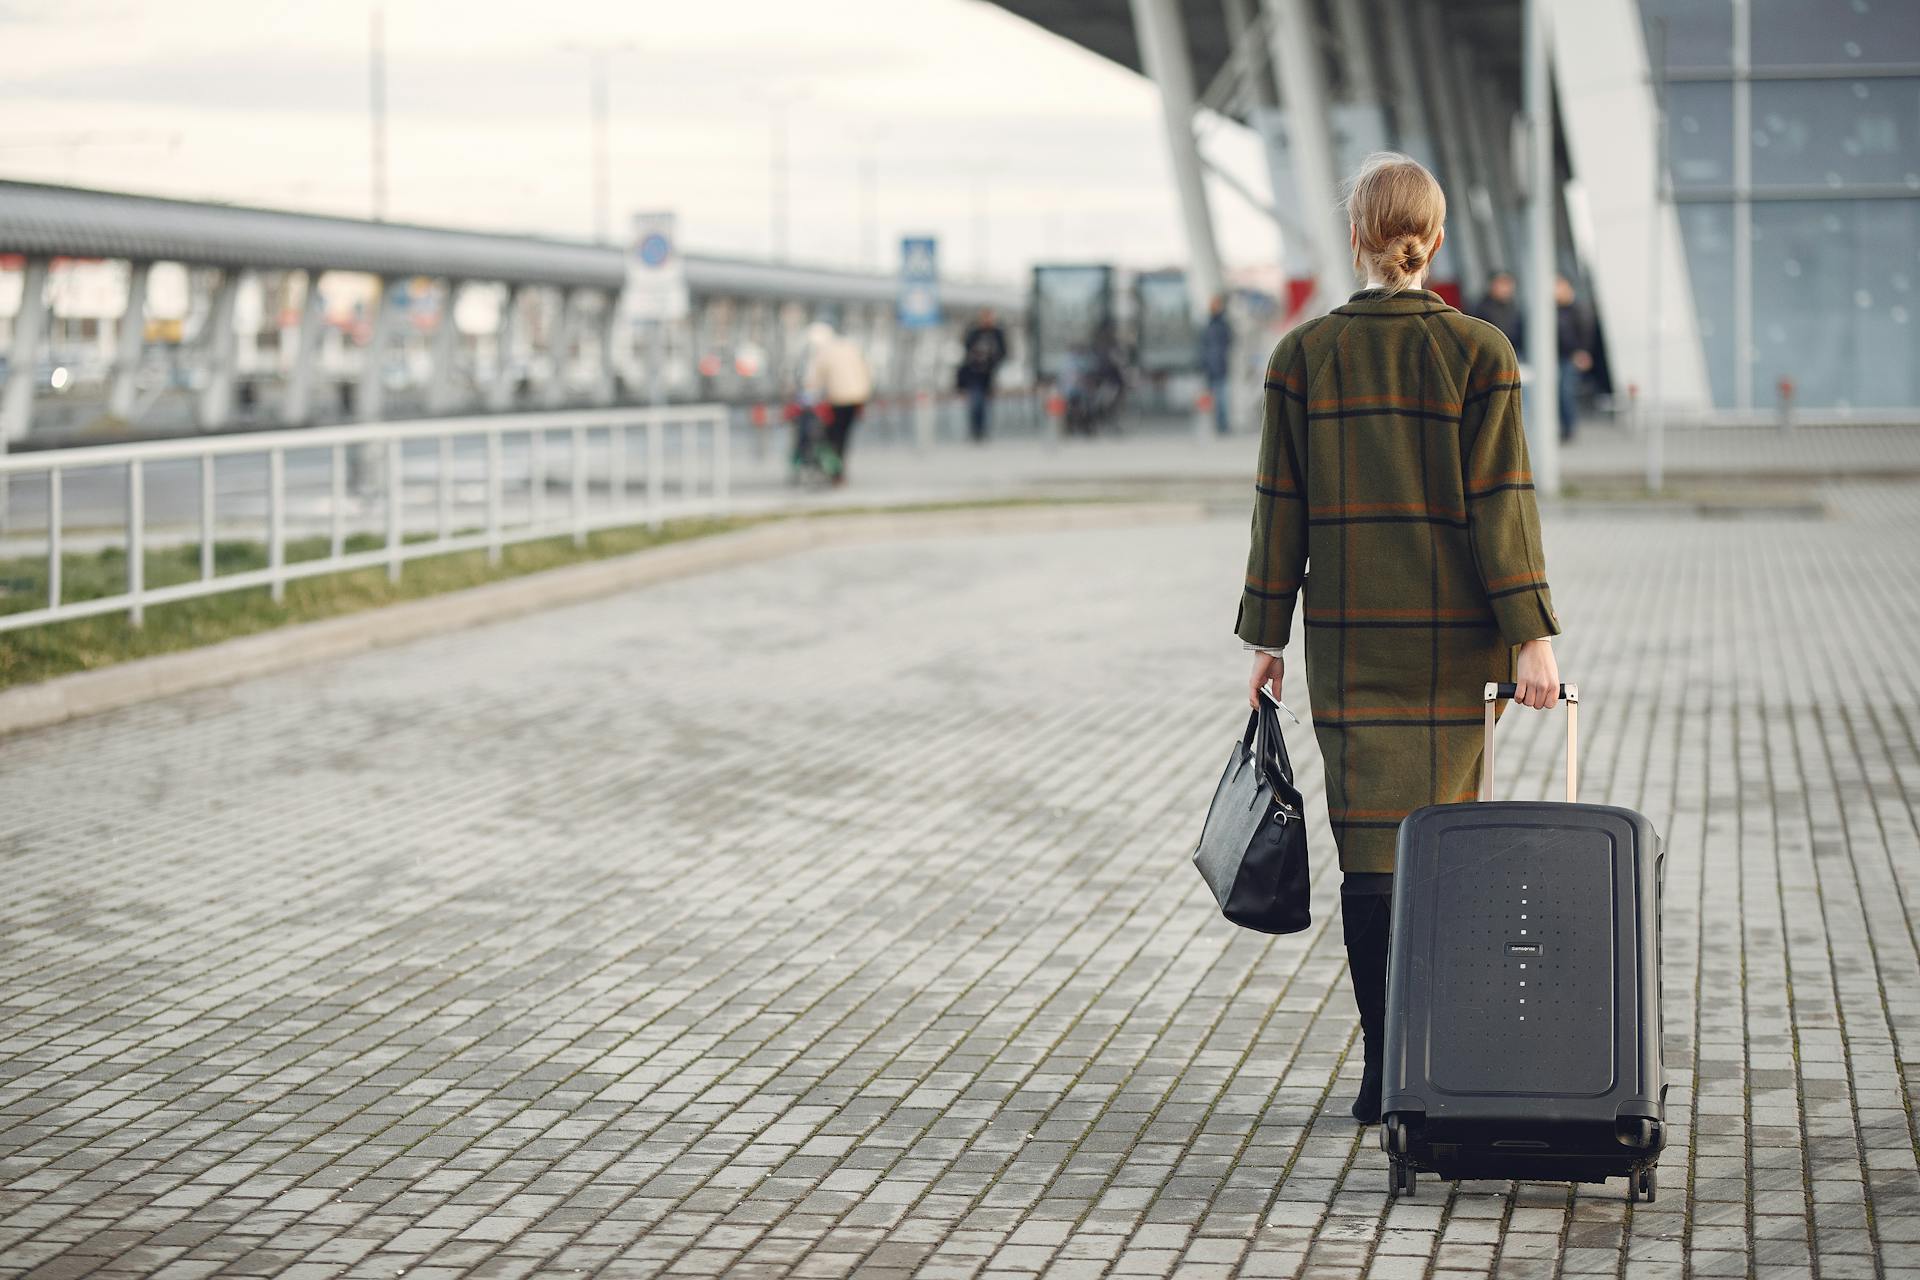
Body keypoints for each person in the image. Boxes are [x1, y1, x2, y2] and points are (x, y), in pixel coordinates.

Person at [1236, 152, 1561, 1125]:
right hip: (1457, 647)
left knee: (1370, 857)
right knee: (1445, 849)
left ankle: (1385, 1067)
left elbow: (1276, 510)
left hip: (1350, 646)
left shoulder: (1302, 355)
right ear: (1437, 237)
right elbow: (1504, 508)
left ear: (1356, 238)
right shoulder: (1481, 352)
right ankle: (1434, 1062)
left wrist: (1267, 636)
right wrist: (1533, 638)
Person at [802, 320, 872, 486]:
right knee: (845, 434)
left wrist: (808, 394)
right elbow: (866, 369)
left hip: (838, 398)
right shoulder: (849, 346)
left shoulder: (823, 352)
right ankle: (839, 469)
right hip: (857, 397)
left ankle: (836, 471)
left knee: (834, 435)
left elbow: (813, 379)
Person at [956, 308, 1008, 443]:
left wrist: (993, 362)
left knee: (985, 404)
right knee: (976, 402)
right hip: (974, 374)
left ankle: (982, 430)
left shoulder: (997, 333)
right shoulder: (974, 332)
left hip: (989, 374)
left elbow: (1003, 351)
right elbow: (966, 347)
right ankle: (976, 430)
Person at [1555, 276, 1595, 443]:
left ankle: (1569, 428)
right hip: (1557, 357)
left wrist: (1583, 352)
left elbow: (1587, 332)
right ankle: (1562, 427)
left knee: (1565, 391)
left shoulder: (1579, 309)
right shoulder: (1552, 309)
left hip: (1572, 357)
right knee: (1558, 392)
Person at [1198, 294, 1234, 436]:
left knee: (1221, 397)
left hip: (1219, 365)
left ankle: (1222, 424)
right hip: (1212, 366)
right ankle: (1219, 424)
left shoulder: (1219, 325)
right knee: (1216, 397)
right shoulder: (1211, 325)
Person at [1468, 270, 1524, 356]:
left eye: (1508, 284)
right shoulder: (1481, 309)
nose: (1505, 288)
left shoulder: (1515, 308)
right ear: (1492, 285)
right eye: (1502, 284)